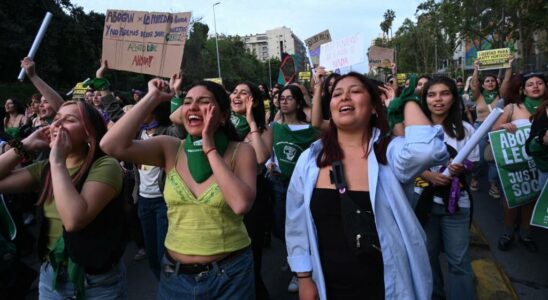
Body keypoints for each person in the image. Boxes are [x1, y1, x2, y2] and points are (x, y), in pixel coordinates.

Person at [286, 72, 449, 299]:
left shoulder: (390, 152)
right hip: (329, 286)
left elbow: (429, 150)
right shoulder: (311, 160)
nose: (344, 98)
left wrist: (406, 102)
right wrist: (303, 277)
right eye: (337, 94)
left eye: (355, 91)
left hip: (386, 286)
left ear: (373, 106)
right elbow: (296, 223)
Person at [101, 78, 257, 299]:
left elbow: (241, 204)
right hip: (174, 275)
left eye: (203, 102)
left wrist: (209, 146)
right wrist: (151, 98)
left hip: (230, 275)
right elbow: (111, 145)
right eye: (187, 102)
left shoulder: (241, 152)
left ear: (223, 115)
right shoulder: (170, 148)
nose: (192, 107)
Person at [0, 100, 126, 299]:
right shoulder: (45, 169)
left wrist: (57, 160)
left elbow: (74, 220)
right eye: (56, 119)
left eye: (70, 120)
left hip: (95, 281)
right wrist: (25, 145)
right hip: (52, 276)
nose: (57, 124)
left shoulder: (106, 165)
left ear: (89, 134)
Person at [416, 76, 479, 300]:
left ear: (454, 97)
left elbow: (473, 162)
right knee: (427, 259)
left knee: (459, 262)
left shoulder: (467, 130)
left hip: (457, 206)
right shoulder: (414, 130)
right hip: (423, 207)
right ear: (424, 99)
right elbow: (403, 165)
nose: (438, 100)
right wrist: (428, 175)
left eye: (444, 93)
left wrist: (459, 169)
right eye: (431, 94)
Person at [265, 84, 318, 292]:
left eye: (289, 98)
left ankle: (300, 273)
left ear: (298, 103)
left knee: (302, 225)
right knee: (280, 226)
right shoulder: (275, 127)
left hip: (302, 186)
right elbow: (269, 150)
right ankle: (294, 255)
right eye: (282, 98)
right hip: (279, 183)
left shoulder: (309, 130)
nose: (284, 101)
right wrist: (270, 162)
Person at [493, 72, 547, 252]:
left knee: (532, 199)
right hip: (516, 163)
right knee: (512, 198)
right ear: (523, 89)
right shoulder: (512, 108)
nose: (535, 86)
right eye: (530, 84)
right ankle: (508, 232)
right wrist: (504, 126)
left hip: (540, 164)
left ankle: (526, 233)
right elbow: (493, 131)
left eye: (539, 83)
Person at [229, 81, 272, 299]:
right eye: (234, 92)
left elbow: (261, 157)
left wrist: (251, 121)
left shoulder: (263, 130)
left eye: (243, 93)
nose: (236, 96)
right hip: (225, 196)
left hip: (252, 197)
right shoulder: (222, 126)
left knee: (250, 257)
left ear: (253, 100)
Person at [470, 60, 504, 197]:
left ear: (497, 83)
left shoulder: (501, 95)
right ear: (483, 84)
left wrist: (508, 65)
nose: (490, 83)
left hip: (497, 129)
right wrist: (476, 69)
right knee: (481, 160)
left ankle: (493, 184)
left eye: (493, 81)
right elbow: (473, 83)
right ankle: (475, 177)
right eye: (487, 81)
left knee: (494, 159)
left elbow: (507, 80)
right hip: (480, 129)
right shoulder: (478, 96)